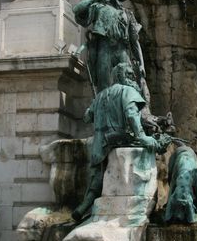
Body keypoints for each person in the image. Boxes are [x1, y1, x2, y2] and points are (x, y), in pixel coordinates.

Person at [72, 63, 170, 222]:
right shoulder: (128, 91)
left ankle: (84, 206)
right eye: (129, 74)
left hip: (100, 144)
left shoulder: (101, 95)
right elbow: (131, 115)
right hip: (122, 139)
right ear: (120, 76)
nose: (132, 78)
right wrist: (142, 136)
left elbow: (86, 117)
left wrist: (98, 103)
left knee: (97, 175)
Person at [73, 0, 147, 95]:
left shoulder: (127, 14)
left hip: (122, 51)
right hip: (104, 49)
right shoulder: (98, 7)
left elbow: (135, 42)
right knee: (104, 87)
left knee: (127, 86)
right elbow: (77, 10)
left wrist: (141, 64)